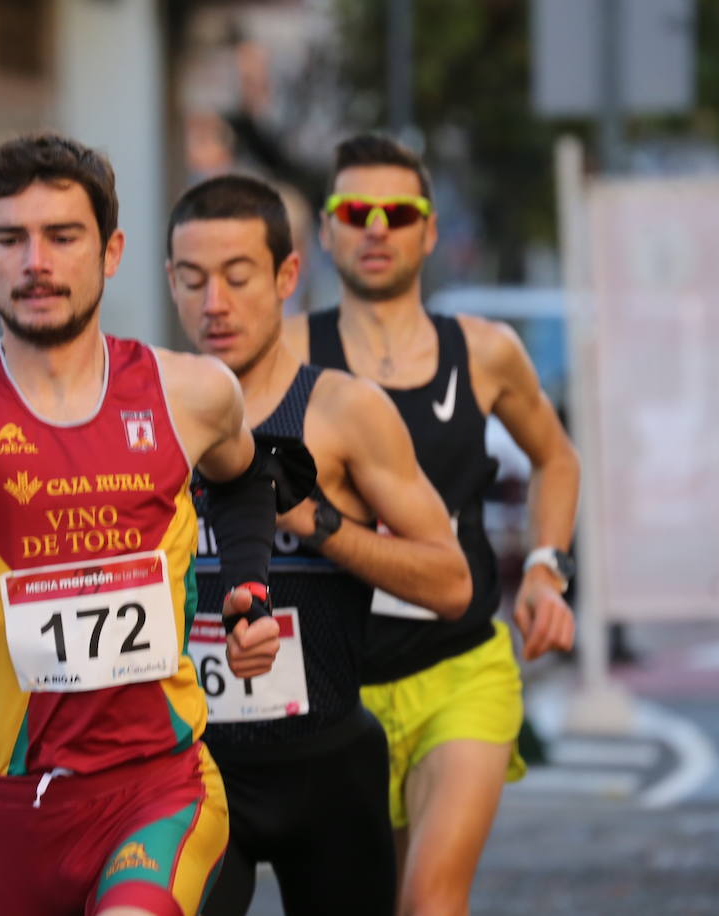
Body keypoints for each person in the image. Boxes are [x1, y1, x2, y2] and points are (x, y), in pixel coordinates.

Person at [0, 133, 307, 916]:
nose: (35, 262)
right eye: (11, 239)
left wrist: (247, 585)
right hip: (11, 810)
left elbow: (248, 475)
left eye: (62, 237)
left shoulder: (192, 393)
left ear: (111, 252)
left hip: (161, 785)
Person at [282, 133, 580, 915]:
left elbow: (558, 459)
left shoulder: (484, 352)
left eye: (397, 211)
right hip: (333, 689)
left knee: (431, 901)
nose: (375, 227)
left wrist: (546, 568)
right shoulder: (283, 356)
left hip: (461, 666)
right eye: (355, 210)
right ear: (327, 229)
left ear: (430, 230)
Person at [166, 175, 472, 915]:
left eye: (238, 278)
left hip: (327, 764)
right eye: (192, 280)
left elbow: (449, 582)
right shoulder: (148, 410)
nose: (215, 305)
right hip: (192, 772)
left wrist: (320, 525)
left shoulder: (343, 410)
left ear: (286, 277)